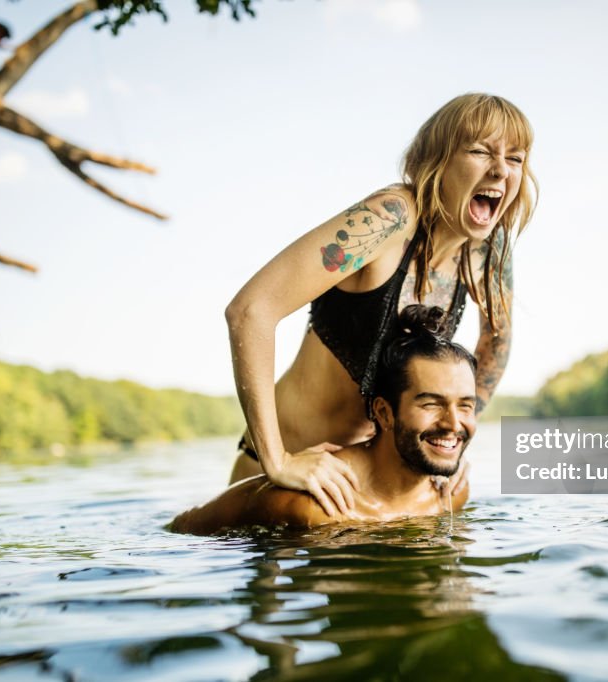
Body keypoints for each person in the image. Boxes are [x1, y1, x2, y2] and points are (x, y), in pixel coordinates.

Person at [226, 93, 537, 518]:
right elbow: (251, 310)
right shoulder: (388, 219)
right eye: (481, 151)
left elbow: (496, 343)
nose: (500, 169)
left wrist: (450, 441)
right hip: (286, 473)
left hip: (371, 484)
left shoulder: (487, 248)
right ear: (439, 161)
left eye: (515, 158)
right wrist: (278, 459)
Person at [172, 305, 477, 534]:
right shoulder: (314, 507)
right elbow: (182, 531)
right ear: (385, 412)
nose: (453, 423)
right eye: (432, 404)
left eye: (465, 406)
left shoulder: (451, 495)